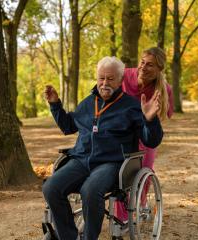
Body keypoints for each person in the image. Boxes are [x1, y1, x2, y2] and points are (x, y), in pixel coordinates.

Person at [42, 56, 163, 240]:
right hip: (81, 160)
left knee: (90, 191)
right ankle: (68, 237)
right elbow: (68, 126)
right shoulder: (89, 103)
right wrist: (55, 105)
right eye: (101, 78)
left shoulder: (131, 106)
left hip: (112, 164)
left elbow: (151, 141)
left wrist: (149, 119)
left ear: (121, 80)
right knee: (51, 187)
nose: (104, 83)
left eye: (110, 78)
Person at [115, 47, 174, 221]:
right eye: (142, 62)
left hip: (145, 132)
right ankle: (124, 217)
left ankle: (140, 203)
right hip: (122, 132)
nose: (143, 67)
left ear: (159, 70)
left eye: (150, 65)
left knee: (144, 170)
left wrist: (149, 118)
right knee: (123, 173)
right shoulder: (123, 76)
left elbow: (165, 116)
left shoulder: (164, 89)